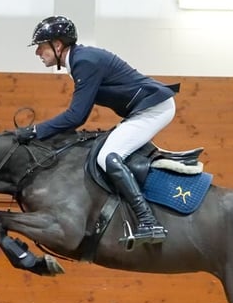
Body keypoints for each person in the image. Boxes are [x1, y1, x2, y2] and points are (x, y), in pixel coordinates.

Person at [15, 15, 180, 246]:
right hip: (146, 109)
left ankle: (148, 221)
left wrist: (34, 131)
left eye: (41, 46)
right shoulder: (80, 61)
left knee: (108, 156)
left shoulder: (85, 62)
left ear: (58, 45)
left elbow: (76, 116)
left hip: (154, 108)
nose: (37, 53)